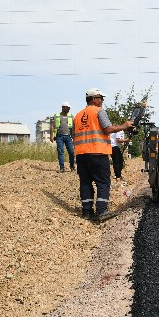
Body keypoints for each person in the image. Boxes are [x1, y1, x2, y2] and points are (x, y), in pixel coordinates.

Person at [73, 88, 133, 222]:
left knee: (85, 182)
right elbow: (108, 129)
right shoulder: (99, 111)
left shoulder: (77, 115)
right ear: (94, 99)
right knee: (103, 182)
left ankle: (87, 211)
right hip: (98, 152)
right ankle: (101, 211)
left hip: (81, 154)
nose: (103, 100)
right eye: (101, 98)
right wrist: (124, 125)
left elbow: (74, 135)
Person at [50, 101, 75, 172]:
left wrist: (74, 136)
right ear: (63, 108)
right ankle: (62, 168)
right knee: (60, 151)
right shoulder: (56, 116)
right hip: (59, 136)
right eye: (67, 108)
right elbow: (52, 126)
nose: (69, 109)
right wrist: (51, 136)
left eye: (69, 108)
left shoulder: (71, 116)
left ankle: (72, 166)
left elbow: (73, 127)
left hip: (68, 137)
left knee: (71, 152)